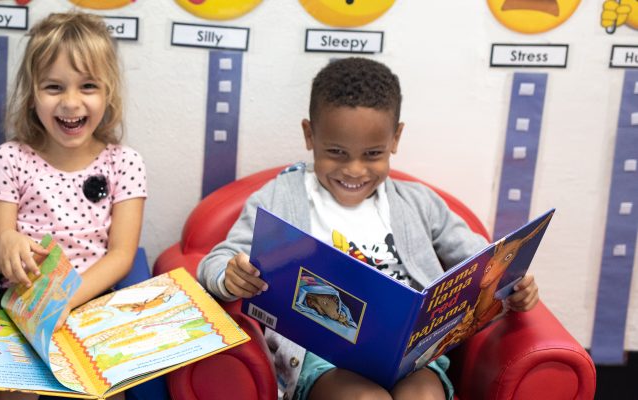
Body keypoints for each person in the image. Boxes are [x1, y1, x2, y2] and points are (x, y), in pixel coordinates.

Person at [196, 57, 540, 400]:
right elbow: (216, 260)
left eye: (373, 154)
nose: (355, 170)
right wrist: (230, 277)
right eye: (336, 152)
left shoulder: (418, 203)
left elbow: (484, 261)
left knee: (424, 398)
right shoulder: (280, 197)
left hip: (409, 356)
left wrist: (512, 286)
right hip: (322, 356)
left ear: (396, 138)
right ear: (309, 134)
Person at [0, 10, 146, 340]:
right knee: (15, 390)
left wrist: (64, 302)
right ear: (32, 95)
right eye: (54, 87)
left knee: (104, 390)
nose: (71, 102)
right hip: (24, 304)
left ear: (108, 93)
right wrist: (5, 243)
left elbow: (121, 255)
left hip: (92, 304)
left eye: (88, 86)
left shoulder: (125, 164)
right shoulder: (10, 158)